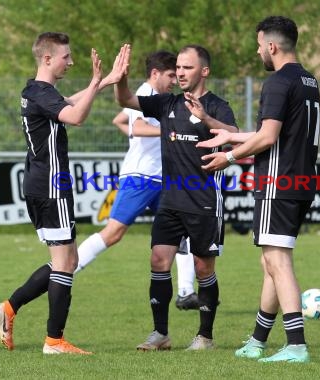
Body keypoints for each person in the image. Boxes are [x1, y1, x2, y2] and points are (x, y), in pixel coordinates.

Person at [189, 16, 320, 363]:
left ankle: (295, 345)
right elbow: (278, 132)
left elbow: (268, 137)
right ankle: (258, 340)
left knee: (277, 260)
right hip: (301, 178)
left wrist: (228, 157)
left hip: (279, 180)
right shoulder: (308, 79)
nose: (258, 50)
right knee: (271, 262)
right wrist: (232, 134)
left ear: (272, 46)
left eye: (260, 44)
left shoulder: (278, 81)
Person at [0, 32, 128, 354]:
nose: (71, 61)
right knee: (65, 264)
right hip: (51, 185)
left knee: (68, 259)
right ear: (48, 58)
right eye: (66, 56)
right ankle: (54, 341)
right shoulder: (41, 93)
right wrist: (95, 82)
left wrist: (104, 81)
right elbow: (76, 116)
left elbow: (66, 104)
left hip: (44, 183)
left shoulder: (36, 91)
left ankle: (8, 309)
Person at [114, 44, 238, 350]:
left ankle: (205, 337)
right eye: (178, 68)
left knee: (203, 268)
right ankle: (160, 334)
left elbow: (234, 133)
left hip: (203, 200)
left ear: (204, 71)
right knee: (158, 260)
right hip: (170, 199)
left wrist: (207, 119)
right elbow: (125, 100)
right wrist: (121, 78)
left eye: (187, 67)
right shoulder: (166, 103)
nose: (180, 73)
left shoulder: (218, 106)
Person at [78, 50, 200, 310]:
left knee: (184, 234)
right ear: (155, 74)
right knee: (113, 233)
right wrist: (171, 132)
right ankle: (66, 270)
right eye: (170, 75)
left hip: (161, 179)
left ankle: (186, 293)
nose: (174, 81)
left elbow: (121, 119)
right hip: (141, 177)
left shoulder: (158, 98)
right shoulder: (145, 93)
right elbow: (138, 127)